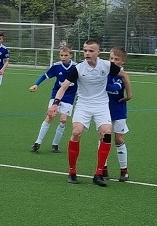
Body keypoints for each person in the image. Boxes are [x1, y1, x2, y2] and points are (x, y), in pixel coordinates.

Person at [49, 39, 132, 186]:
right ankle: (72, 171)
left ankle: (99, 174)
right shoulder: (78, 68)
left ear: (98, 52)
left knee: (106, 133)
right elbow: (63, 87)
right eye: (85, 50)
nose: (87, 53)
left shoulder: (106, 65)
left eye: (91, 50)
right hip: (83, 105)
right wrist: (55, 104)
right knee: (76, 132)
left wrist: (129, 95)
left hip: (101, 105)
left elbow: (124, 75)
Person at [29, 45, 77, 152]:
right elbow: (45, 75)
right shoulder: (56, 66)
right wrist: (36, 84)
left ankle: (55, 144)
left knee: (63, 120)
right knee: (50, 116)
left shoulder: (76, 67)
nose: (63, 57)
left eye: (65, 55)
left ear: (71, 55)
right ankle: (37, 142)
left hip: (69, 96)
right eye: (61, 55)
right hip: (56, 95)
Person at [103, 46, 131, 182]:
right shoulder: (104, 71)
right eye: (111, 58)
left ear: (122, 61)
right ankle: (103, 168)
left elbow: (114, 87)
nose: (113, 61)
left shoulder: (122, 75)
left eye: (116, 59)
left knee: (119, 139)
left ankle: (124, 170)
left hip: (119, 110)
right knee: (104, 137)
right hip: (104, 110)